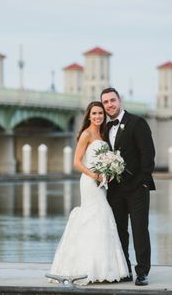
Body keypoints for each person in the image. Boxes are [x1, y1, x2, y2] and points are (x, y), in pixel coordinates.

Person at [48, 101, 129, 285]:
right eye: (94, 113)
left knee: (102, 217)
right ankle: (87, 269)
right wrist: (95, 175)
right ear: (89, 115)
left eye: (101, 113)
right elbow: (76, 162)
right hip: (89, 182)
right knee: (96, 215)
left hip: (102, 183)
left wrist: (108, 172)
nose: (98, 116)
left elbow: (104, 159)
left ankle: (103, 268)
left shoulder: (103, 133)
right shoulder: (86, 134)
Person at [100, 87, 156, 286]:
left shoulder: (137, 122)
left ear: (120, 100)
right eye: (105, 102)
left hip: (137, 188)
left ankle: (142, 272)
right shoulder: (105, 128)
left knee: (140, 230)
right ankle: (125, 269)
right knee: (119, 231)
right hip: (115, 189)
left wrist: (142, 181)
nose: (109, 105)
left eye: (112, 100)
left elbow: (148, 155)